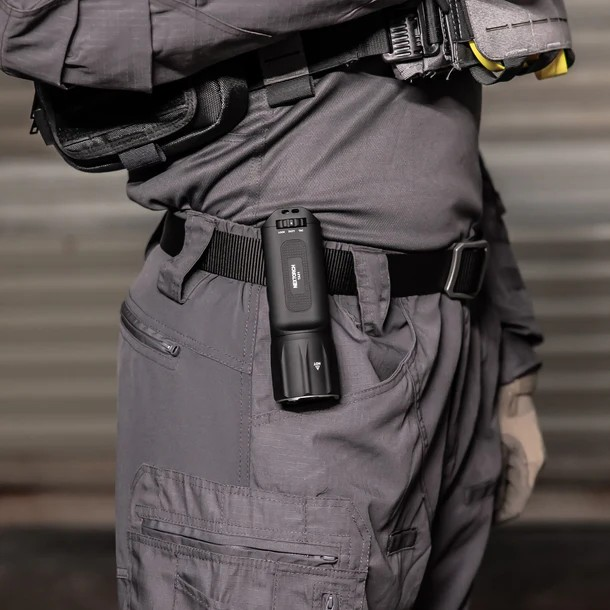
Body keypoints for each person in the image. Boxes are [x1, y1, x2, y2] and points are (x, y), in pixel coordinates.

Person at [2, 1, 564, 608]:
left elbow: (414, 121)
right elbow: (27, 21)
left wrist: (511, 350)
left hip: (455, 338)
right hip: (276, 350)